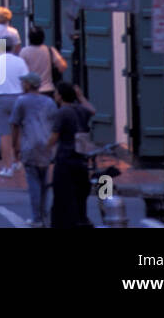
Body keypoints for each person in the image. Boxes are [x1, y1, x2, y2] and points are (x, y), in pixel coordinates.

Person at [11, 73, 58, 227]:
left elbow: (15, 124)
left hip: (30, 145)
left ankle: (36, 217)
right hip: (46, 145)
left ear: (28, 85)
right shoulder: (49, 102)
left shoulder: (21, 101)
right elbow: (54, 124)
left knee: (34, 184)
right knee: (44, 182)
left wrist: (15, 146)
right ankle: (44, 215)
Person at [48, 81, 95, 228]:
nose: (54, 95)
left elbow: (54, 136)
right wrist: (80, 97)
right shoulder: (81, 109)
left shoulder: (62, 112)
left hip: (65, 158)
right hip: (80, 158)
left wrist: (45, 148)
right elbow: (92, 110)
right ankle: (80, 219)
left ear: (60, 96)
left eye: (56, 93)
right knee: (80, 194)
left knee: (62, 195)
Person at [0, 38, 30, 173]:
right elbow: (26, 82)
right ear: (13, 47)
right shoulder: (20, 62)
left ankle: (7, 166)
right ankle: (17, 160)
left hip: (1, 98)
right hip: (18, 97)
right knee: (18, 131)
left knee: (5, 135)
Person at [19, 26, 66, 98]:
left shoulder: (24, 52)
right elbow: (62, 66)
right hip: (48, 89)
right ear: (43, 38)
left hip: (31, 90)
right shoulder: (50, 50)